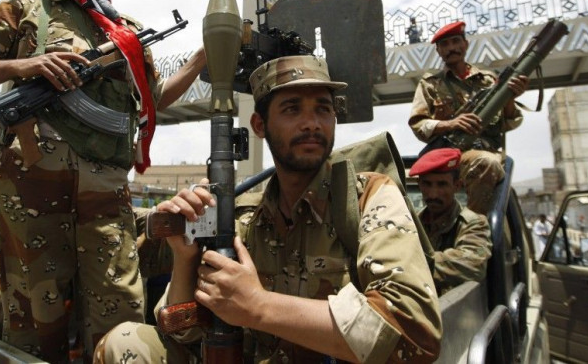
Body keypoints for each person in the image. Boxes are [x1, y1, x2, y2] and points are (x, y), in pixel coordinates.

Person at [0, 0, 206, 362]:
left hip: (104, 186)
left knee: (119, 305)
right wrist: (26, 64)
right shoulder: (28, 8)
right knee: (35, 308)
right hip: (32, 185)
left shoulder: (127, 33)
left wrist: (202, 58)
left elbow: (154, 98)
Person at [95, 55, 442, 363]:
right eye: (292, 109)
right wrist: (185, 260)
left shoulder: (367, 197)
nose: (312, 123)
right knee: (126, 342)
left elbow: (413, 335)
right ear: (259, 126)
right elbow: (182, 333)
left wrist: (258, 307)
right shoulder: (246, 217)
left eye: (323, 108)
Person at [408, 20, 529, 214]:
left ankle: (476, 230)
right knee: (485, 163)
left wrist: (509, 97)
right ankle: (473, 230)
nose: (451, 48)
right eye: (444, 45)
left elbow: (510, 123)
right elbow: (418, 125)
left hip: (485, 152)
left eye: (456, 41)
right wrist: (450, 124)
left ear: (465, 44)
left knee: (487, 163)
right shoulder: (430, 84)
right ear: (438, 51)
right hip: (449, 157)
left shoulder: (489, 81)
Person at [410, 147, 491, 295]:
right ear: (419, 185)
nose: (433, 194)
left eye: (442, 184)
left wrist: (411, 264)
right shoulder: (410, 223)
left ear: (457, 186)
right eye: (427, 184)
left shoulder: (474, 223)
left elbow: (474, 262)